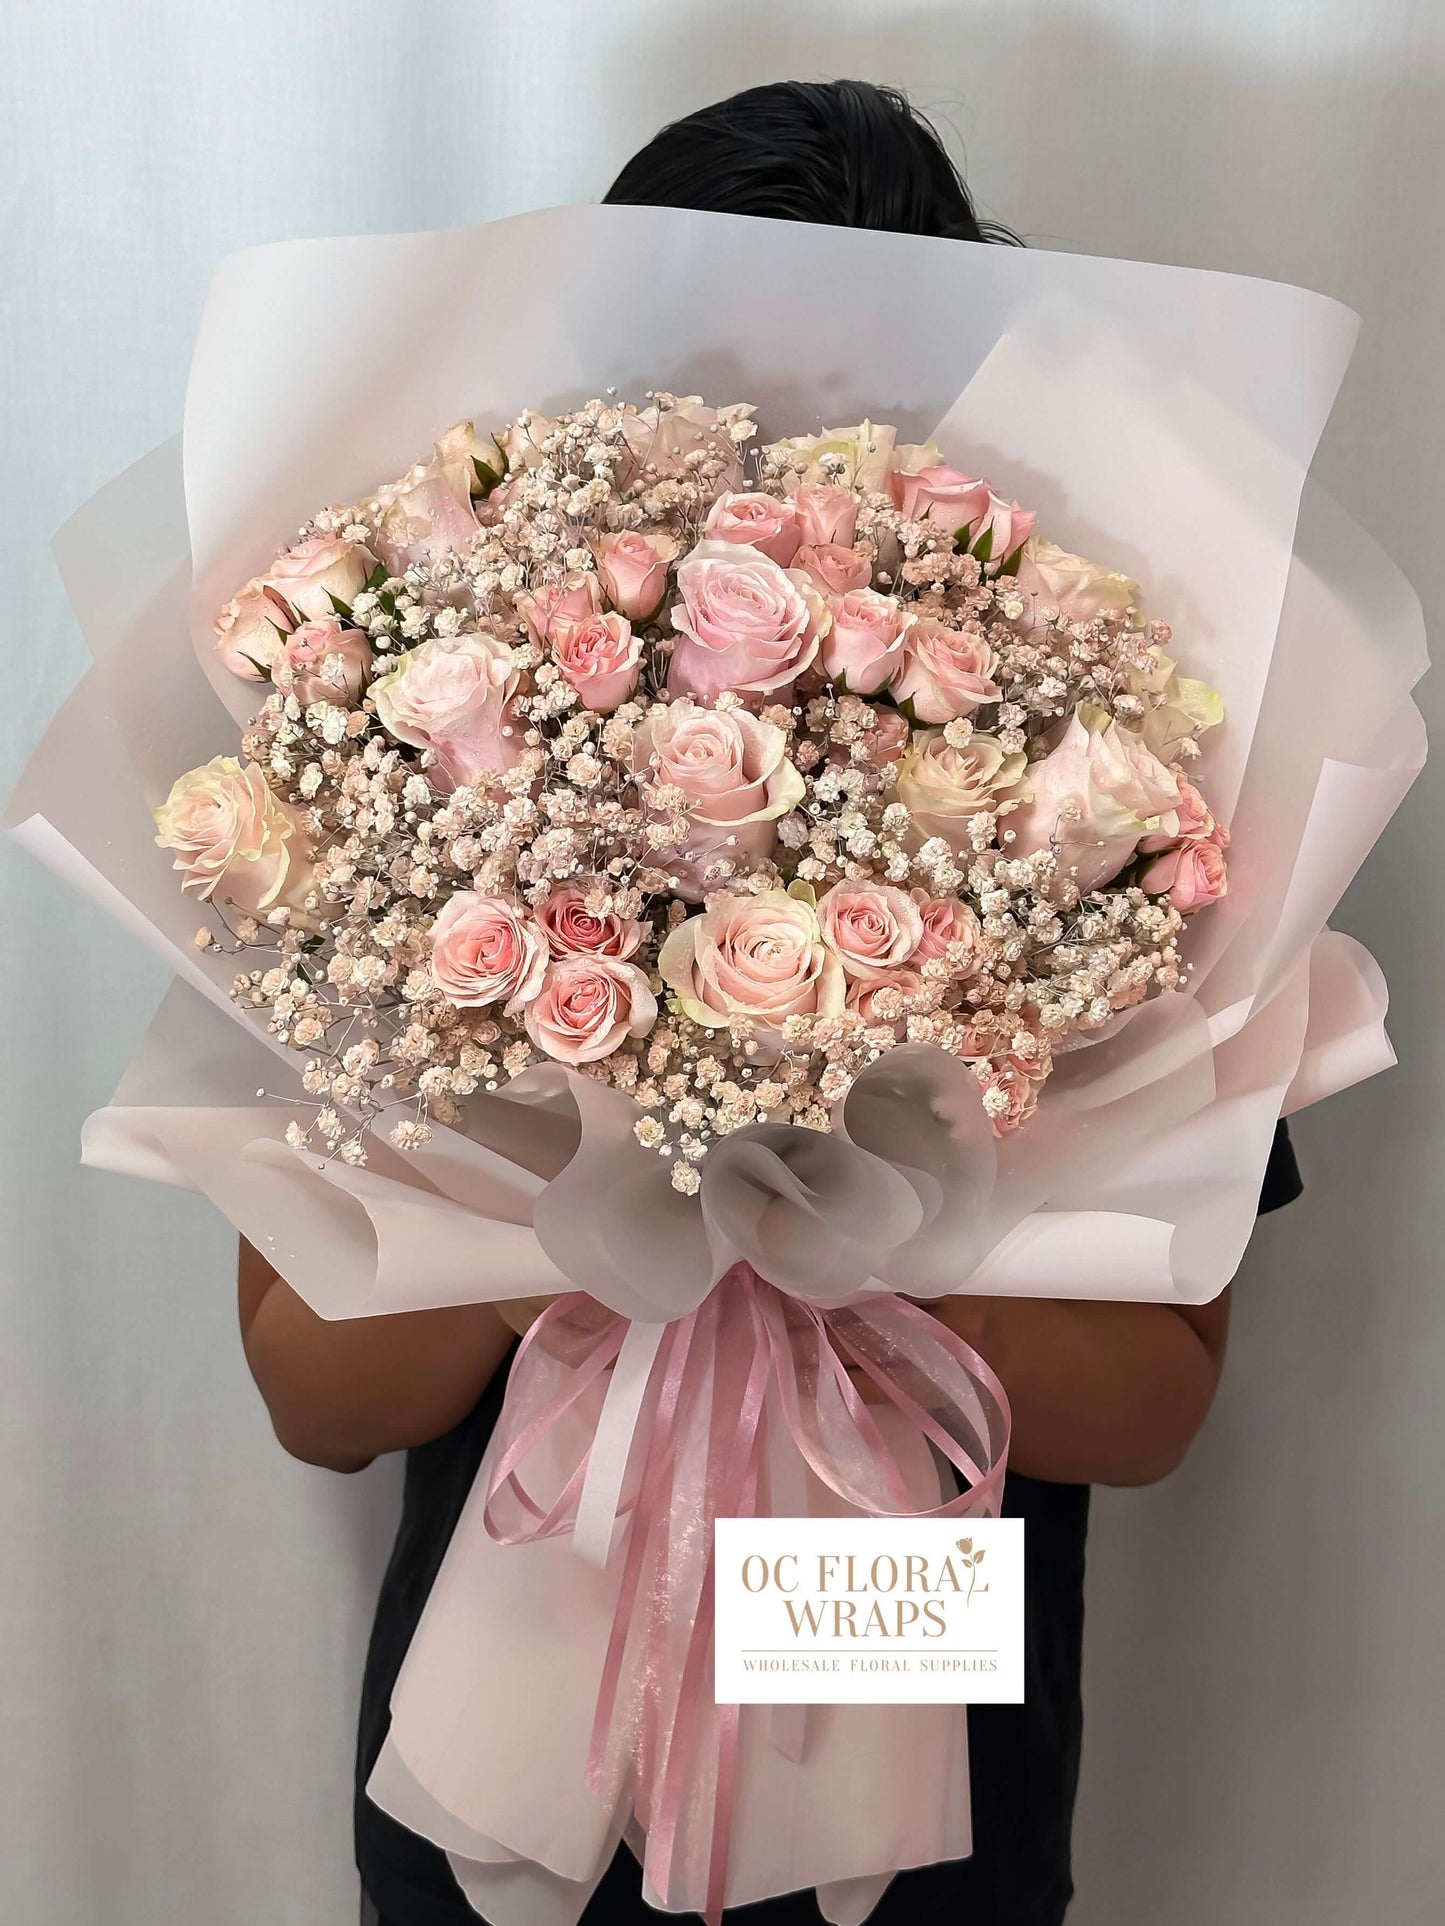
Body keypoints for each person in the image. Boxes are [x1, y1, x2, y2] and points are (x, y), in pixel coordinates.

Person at [238, 80, 1304, 1926]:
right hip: (501, 1742)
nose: (787, 475)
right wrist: (585, 1189)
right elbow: (315, 1393)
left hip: (909, 1738)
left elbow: (1145, 1414)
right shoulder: (405, 787)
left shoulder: (1110, 811)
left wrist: (855, 1214)